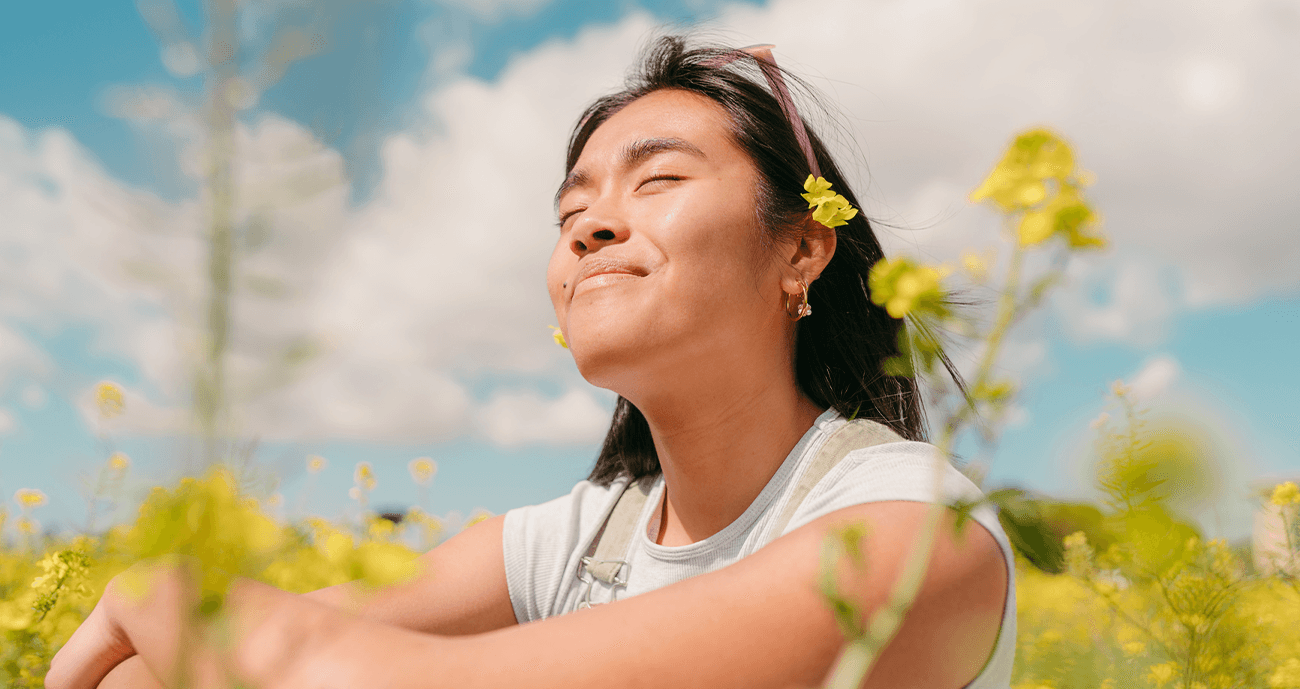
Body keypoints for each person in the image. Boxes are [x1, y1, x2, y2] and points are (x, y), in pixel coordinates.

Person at [47, 36, 1014, 689]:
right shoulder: (578, 540)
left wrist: (167, 593)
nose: (590, 226)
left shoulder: (920, 534)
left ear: (801, 251)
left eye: (660, 178)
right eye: (569, 212)